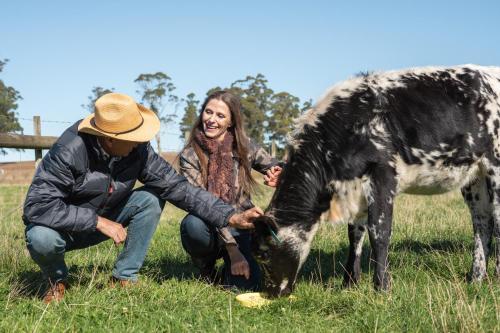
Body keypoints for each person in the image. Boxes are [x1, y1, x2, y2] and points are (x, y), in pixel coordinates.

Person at [23, 93, 262, 303]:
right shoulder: (70, 150)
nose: (140, 141)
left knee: (150, 197)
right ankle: (56, 281)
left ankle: (123, 277)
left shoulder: (138, 149)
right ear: (109, 138)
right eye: (134, 137)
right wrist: (97, 221)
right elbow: (37, 207)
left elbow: (179, 188)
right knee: (40, 236)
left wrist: (231, 216)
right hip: (65, 228)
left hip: (106, 217)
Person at [178, 90, 282, 291]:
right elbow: (203, 204)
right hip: (208, 224)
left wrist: (278, 173)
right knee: (193, 225)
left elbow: (275, 164)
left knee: (245, 287)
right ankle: (207, 268)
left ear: (231, 122)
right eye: (208, 112)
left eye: (220, 115)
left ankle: (231, 271)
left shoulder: (244, 146)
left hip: (242, 225)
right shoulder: (190, 155)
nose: (211, 120)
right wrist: (233, 251)